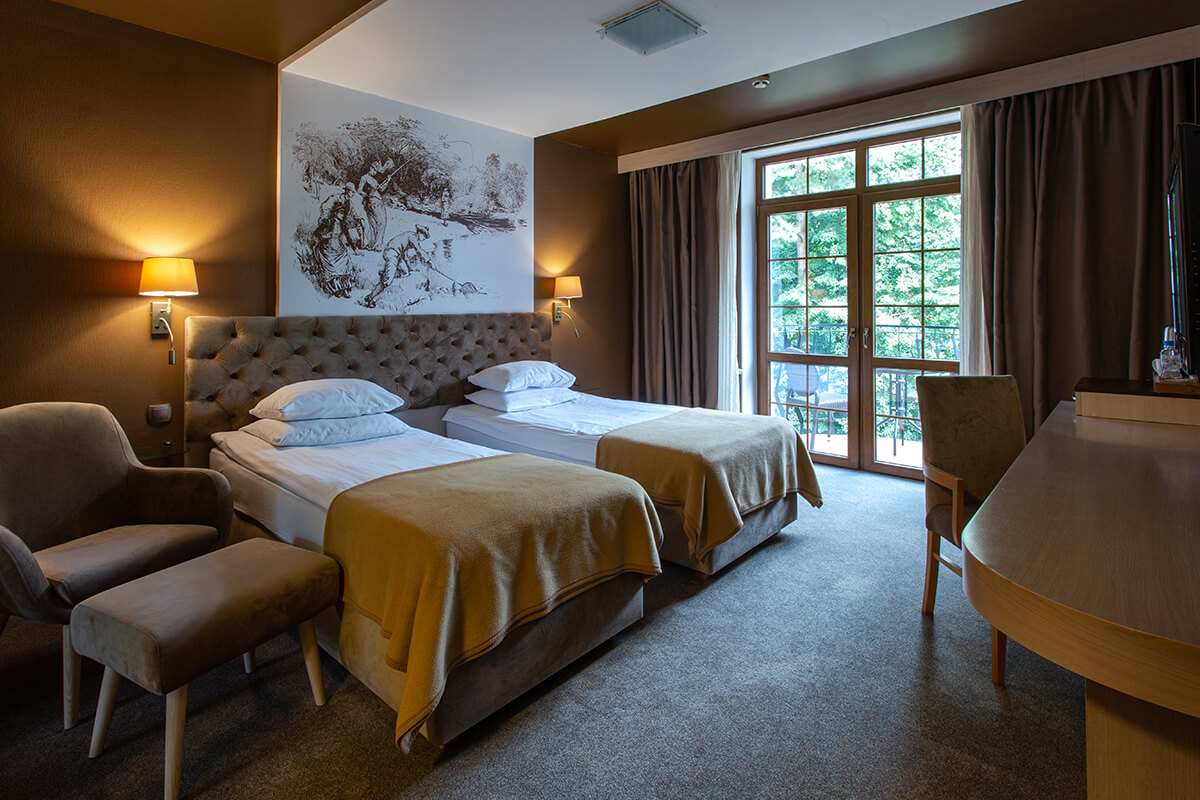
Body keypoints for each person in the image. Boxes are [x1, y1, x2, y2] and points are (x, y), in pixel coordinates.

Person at [363, 224, 433, 308]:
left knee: (405, 272)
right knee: (387, 282)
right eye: (424, 236)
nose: (424, 238)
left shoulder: (411, 236)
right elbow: (419, 250)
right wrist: (429, 261)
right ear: (420, 233)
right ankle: (370, 298)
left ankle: (386, 274)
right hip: (391, 253)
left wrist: (409, 267)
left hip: (397, 255)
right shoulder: (412, 237)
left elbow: (405, 254)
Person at [358, 158, 392, 250]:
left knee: (375, 223)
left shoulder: (372, 179)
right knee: (381, 222)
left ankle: (372, 244)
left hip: (377, 201)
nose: (375, 173)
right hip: (373, 202)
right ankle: (376, 245)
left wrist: (387, 180)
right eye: (374, 170)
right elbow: (359, 190)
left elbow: (381, 189)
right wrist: (367, 195)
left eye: (376, 171)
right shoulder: (364, 178)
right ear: (371, 168)